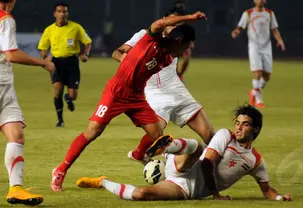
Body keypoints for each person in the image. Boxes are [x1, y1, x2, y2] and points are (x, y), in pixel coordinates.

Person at [51, 11, 207, 192]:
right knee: (93, 132)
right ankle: (60, 171)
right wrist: (190, 18)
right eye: (187, 46)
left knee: (158, 135)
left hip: (137, 96)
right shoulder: (151, 39)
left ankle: (154, 162)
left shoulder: (167, 58)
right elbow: (159, 23)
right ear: (179, 42)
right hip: (116, 92)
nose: (186, 51)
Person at [76, 104, 292, 202]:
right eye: (237, 123)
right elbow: (207, 163)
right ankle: (166, 147)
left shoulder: (255, 161)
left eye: (244, 125)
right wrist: (216, 194)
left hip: (185, 188)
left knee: (142, 195)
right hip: (184, 164)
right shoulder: (225, 136)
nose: (238, 127)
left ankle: (102, 182)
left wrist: (281, 198)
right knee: (199, 148)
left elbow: (267, 191)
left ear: (254, 129)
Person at [0, 0, 55, 206]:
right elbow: (12, 54)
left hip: (4, 86)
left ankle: (16, 189)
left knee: (16, 136)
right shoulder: (5, 19)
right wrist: (43, 63)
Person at [112, 7, 214, 165]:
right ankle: (140, 154)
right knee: (156, 133)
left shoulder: (177, 42)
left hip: (177, 90)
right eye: (171, 22)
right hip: (155, 93)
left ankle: (209, 172)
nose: (173, 26)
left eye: (177, 23)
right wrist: (127, 61)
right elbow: (117, 52)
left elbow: (185, 57)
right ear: (164, 21)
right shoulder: (144, 36)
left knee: (210, 135)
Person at [38, 2, 92, 127]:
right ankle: (60, 120)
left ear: (67, 13)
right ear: (55, 14)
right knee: (57, 90)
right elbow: (42, 48)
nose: (62, 14)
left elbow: (87, 42)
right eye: (60, 11)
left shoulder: (76, 27)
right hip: (56, 62)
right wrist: (46, 57)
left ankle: (68, 98)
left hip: (72, 62)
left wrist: (85, 54)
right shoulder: (49, 30)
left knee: (73, 96)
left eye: (65, 11)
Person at [231, 0, 285, 108]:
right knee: (257, 73)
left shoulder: (269, 13)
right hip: (254, 46)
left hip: (266, 47)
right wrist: (237, 31)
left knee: (267, 76)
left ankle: (254, 92)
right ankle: (259, 100)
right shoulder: (248, 13)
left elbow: (274, 29)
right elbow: (241, 26)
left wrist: (280, 40)